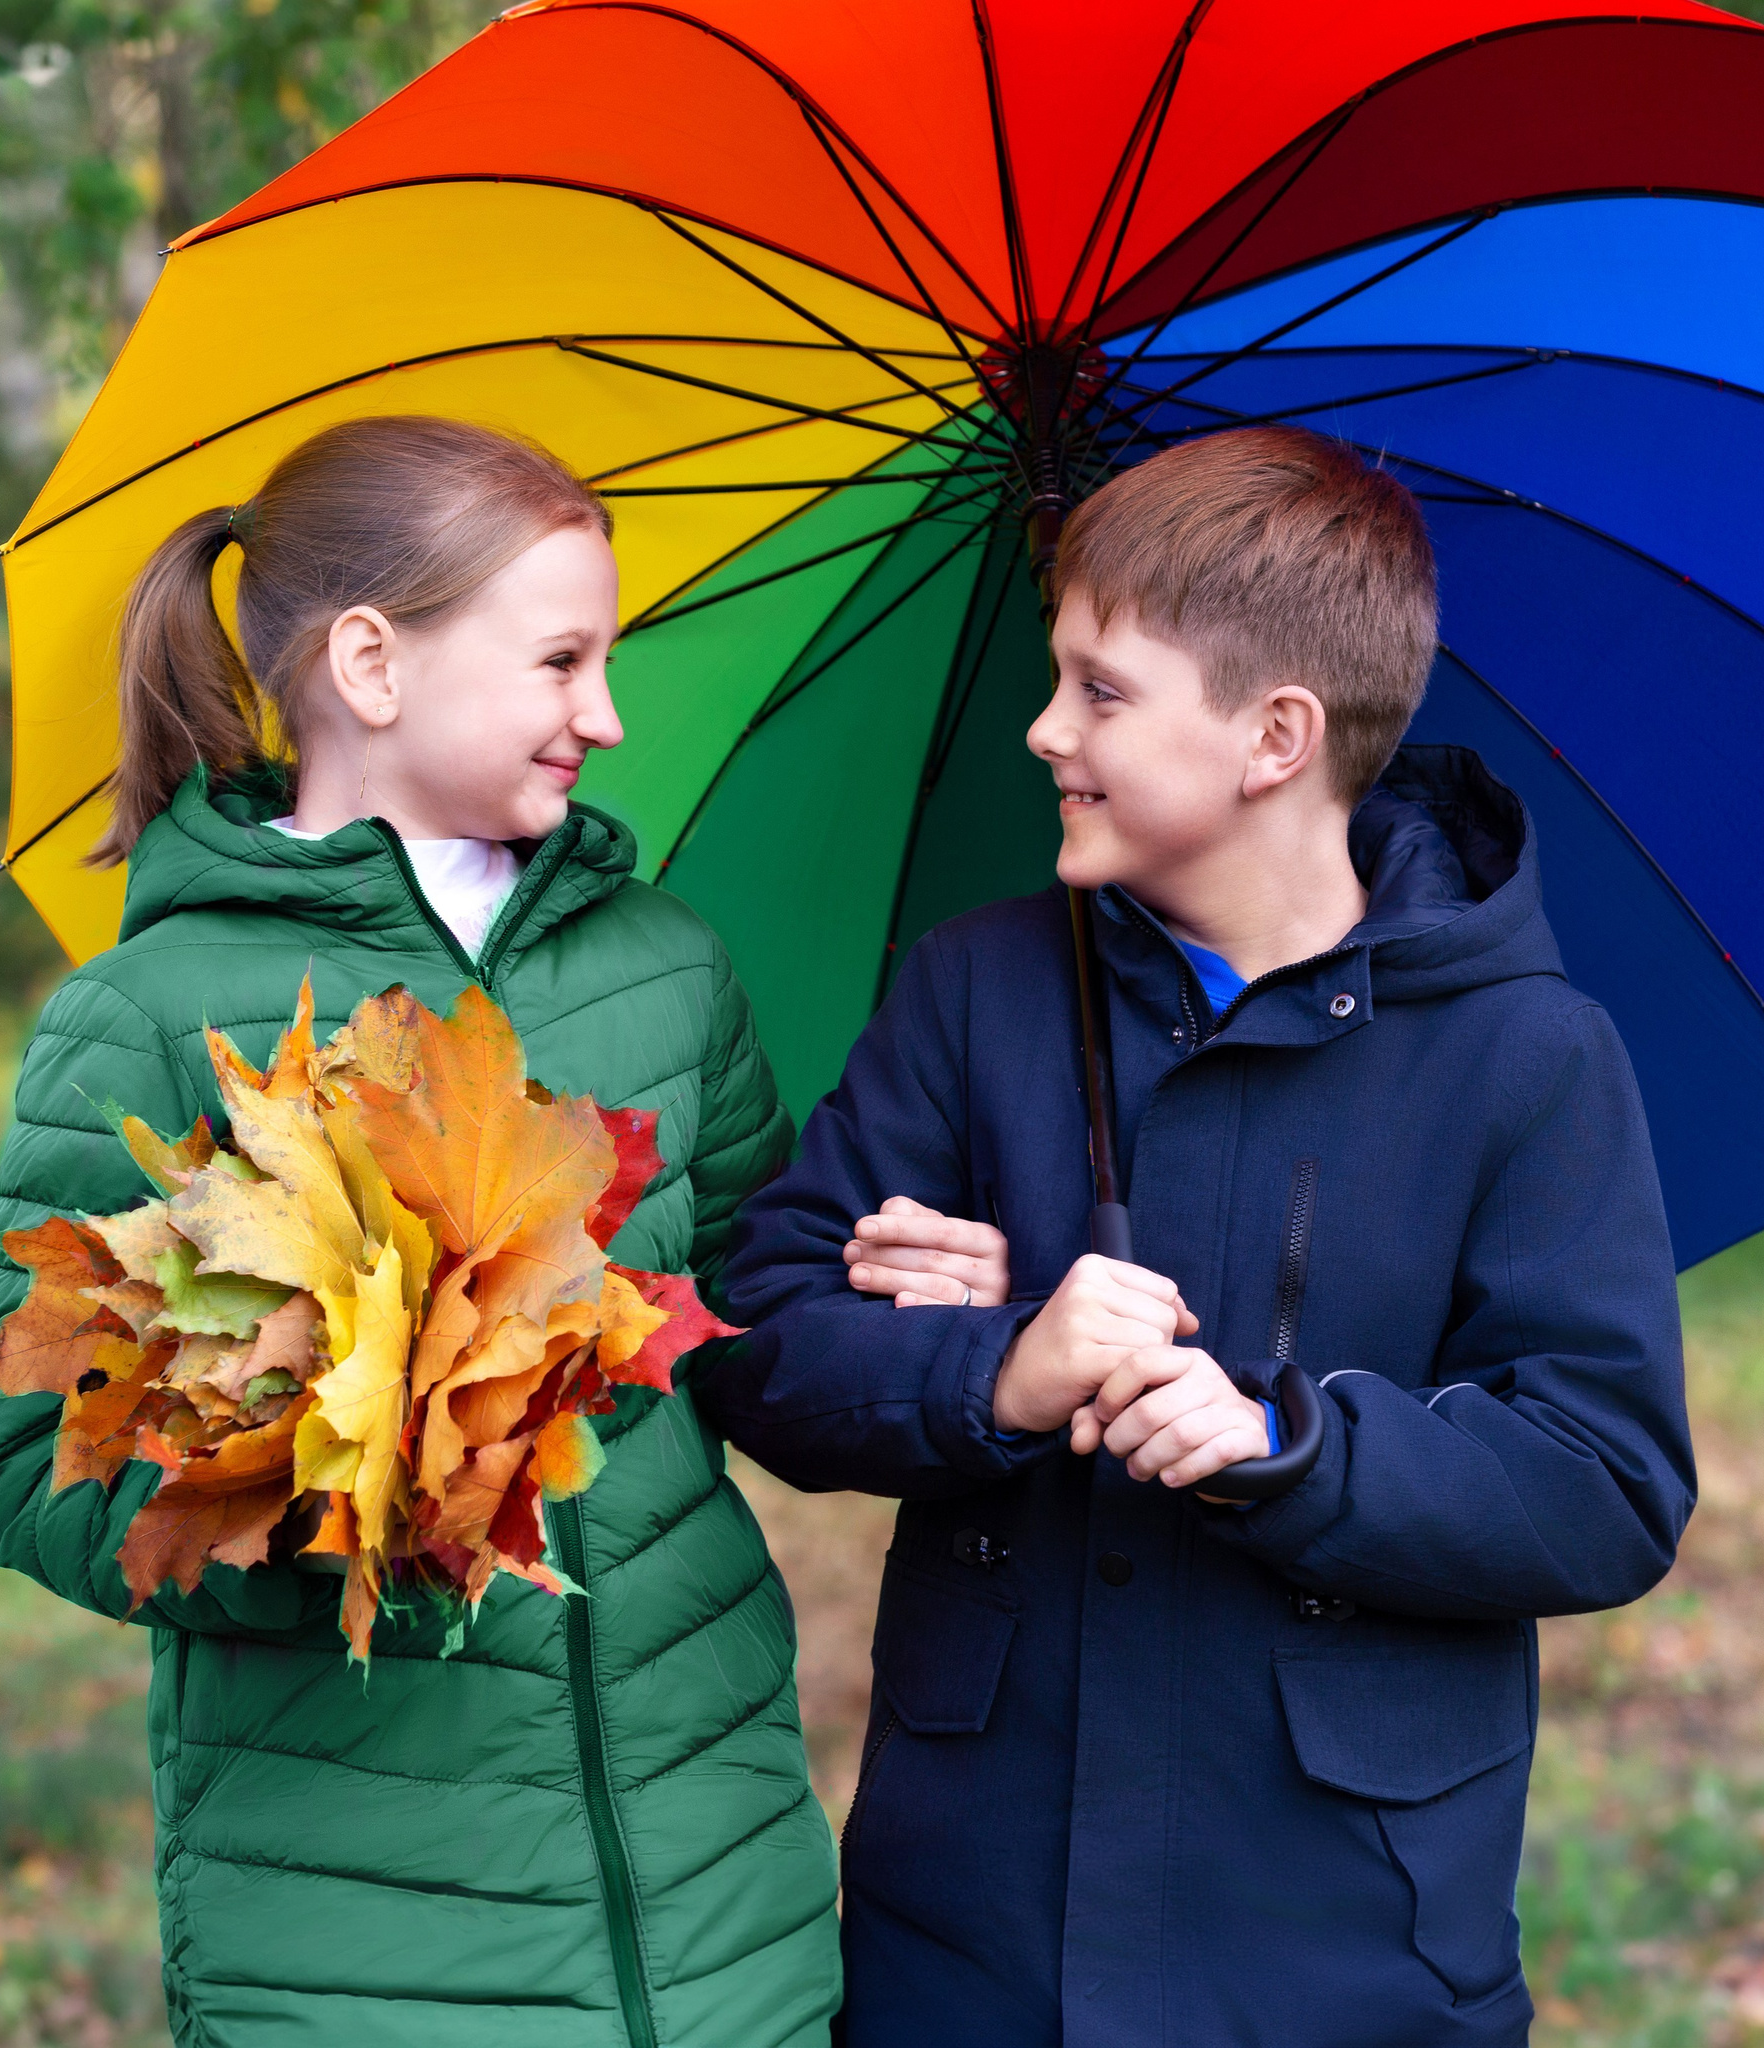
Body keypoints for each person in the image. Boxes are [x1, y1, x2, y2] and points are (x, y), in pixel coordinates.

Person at [0, 415, 983, 2047]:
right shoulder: (146, 1017)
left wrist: (895, 1298)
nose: (608, 716)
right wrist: (325, 1519)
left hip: (719, 1905)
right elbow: (8, 1446)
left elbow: (750, 1315)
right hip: (361, 1932)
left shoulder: (666, 965)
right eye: (562, 661)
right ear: (372, 662)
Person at [708, 427, 1697, 2047]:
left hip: (1339, 1951)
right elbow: (764, 1342)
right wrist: (999, 1366)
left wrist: (1285, 1444)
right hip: (978, 1935)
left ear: (1274, 736)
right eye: (1054, 679)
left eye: (1100, 692)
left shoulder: (1526, 1053)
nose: (1043, 731)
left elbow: (1602, 1483)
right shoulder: (980, 991)